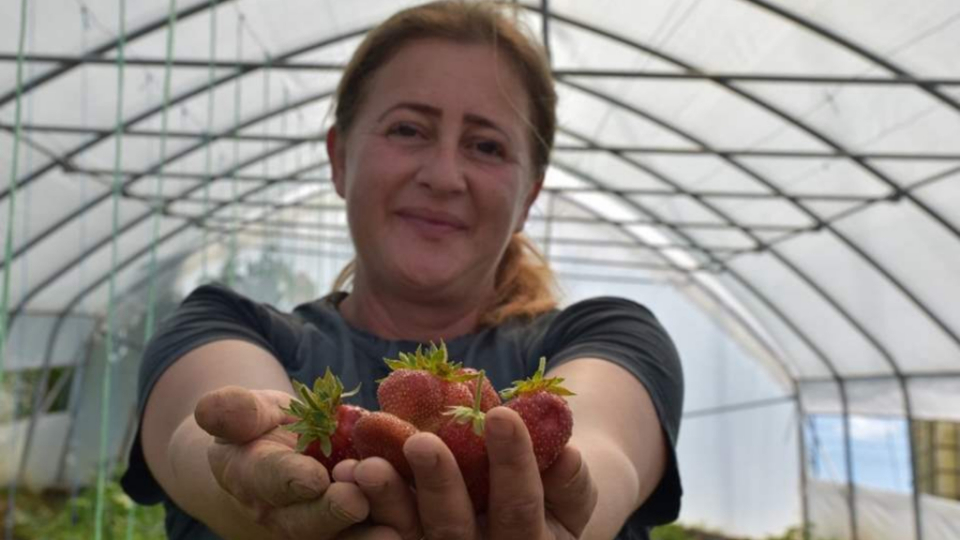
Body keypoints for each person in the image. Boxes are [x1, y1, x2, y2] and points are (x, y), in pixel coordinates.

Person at [120, 2, 684, 539]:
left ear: (529, 197)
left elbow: (603, 453)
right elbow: (195, 440)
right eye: (408, 130)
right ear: (340, 159)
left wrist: (562, 507)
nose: (443, 176)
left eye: (486, 146)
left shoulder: (606, 336)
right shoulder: (220, 324)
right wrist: (253, 476)